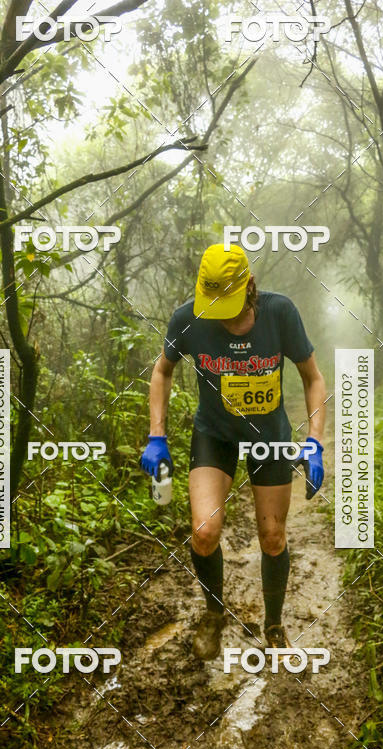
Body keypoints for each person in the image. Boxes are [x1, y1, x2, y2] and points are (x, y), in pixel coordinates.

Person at [140, 243, 326, 660]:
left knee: (272, 537)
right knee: (204, 533)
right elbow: (162, 370)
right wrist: (157, 436)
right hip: (216, 434)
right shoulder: (188, 318)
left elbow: (313, 377)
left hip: (269, 437)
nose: (220, 316)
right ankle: (214, 613)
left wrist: (314, 441)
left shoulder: (280, 313)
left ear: (250, 287)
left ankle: (274, 625)